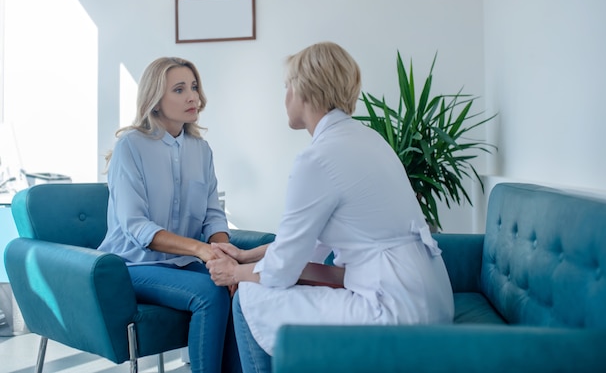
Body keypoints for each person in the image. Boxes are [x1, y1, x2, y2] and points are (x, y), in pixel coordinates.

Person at [206, 42, 454, 373]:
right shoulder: (368, 140)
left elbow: (282, 271)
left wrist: (234, 274)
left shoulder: (317, 159)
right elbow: (308, 249)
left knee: (250, 296)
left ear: (304, 90)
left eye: (287, 87)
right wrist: (246, 256)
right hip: (431, 299)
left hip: (394, 311)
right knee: (265, 281)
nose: (285, 98)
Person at [98, 56, 239, 373]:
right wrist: (201, 250)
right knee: (210, 294)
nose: (193, 97)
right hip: (131, 265)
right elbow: (136, 226)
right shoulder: (130, 147)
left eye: (193, 87)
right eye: (179, 89)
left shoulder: (201, 150)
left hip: (183, 264)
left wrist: (222, 252)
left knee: (242, 282)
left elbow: (213, 216)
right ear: (155, 101)